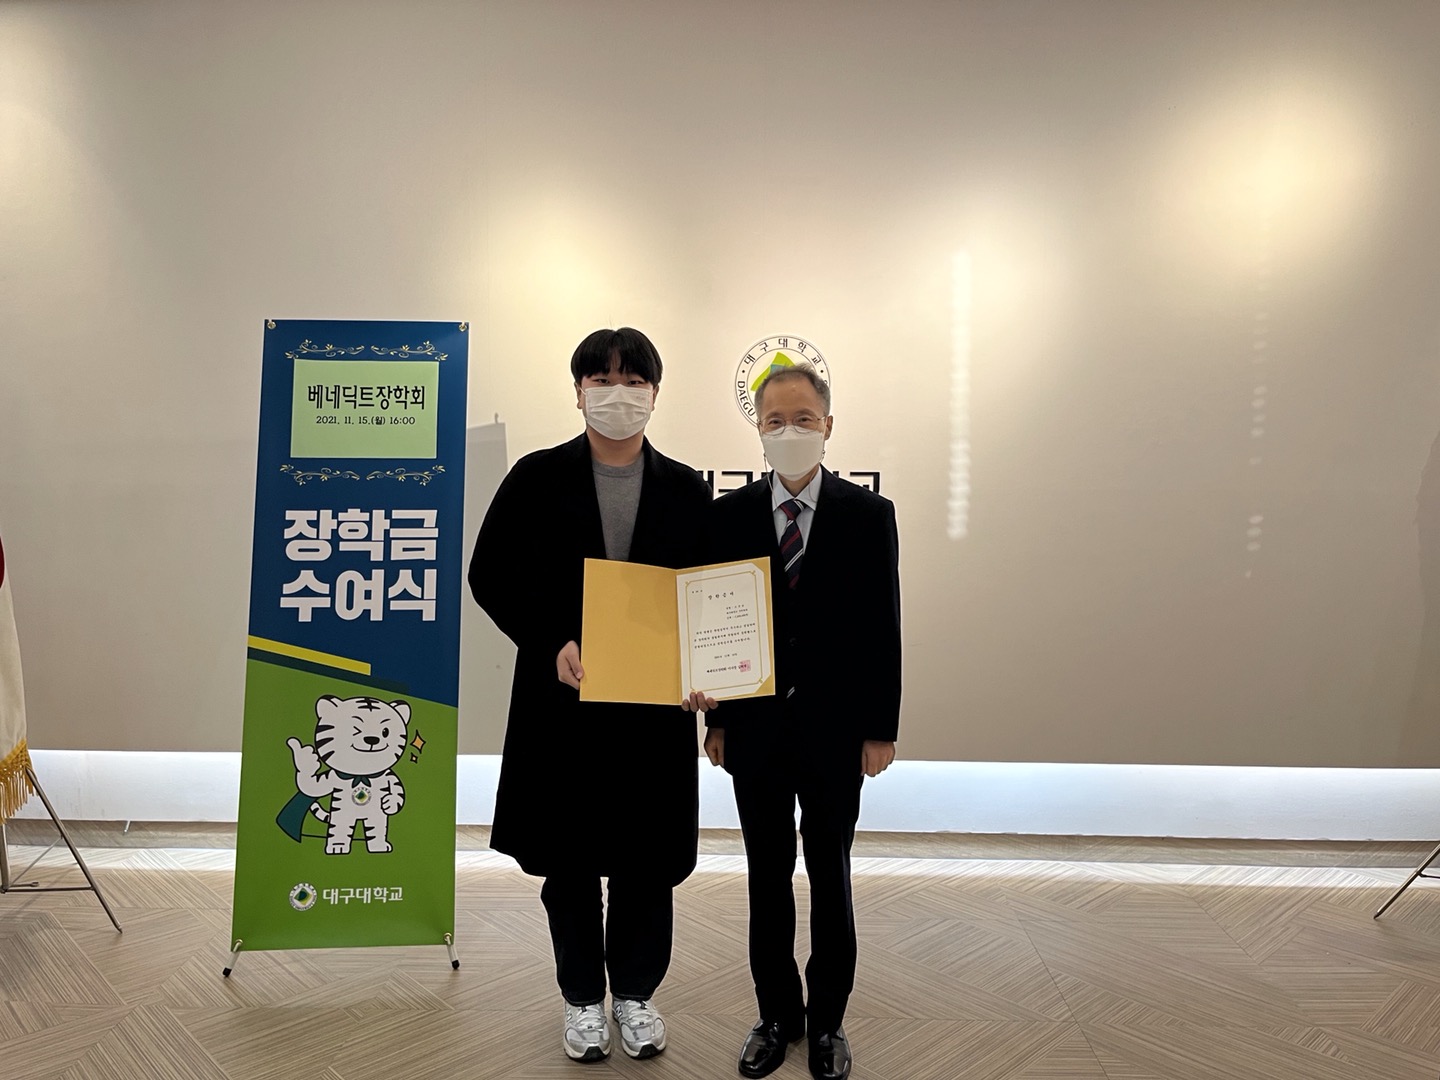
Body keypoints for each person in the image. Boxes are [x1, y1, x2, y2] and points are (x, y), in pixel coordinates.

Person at [469, 327, 712, 1063]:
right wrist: (549, 641)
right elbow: (489, 574)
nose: (617, 394)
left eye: (633, 381)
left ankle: (635, 994)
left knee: (646, 861)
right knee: (569, 862)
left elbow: (707, 594)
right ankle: (581, 999)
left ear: (655, 394)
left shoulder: (685, 487)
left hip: (653, 708)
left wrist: (707, 670)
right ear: (577, 392)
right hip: (563, 704)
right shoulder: (536, 477)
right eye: (601, 380)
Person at [685, 361, 901, 1080]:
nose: (789, 431)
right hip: (755, 733)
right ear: (758, 430)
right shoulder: (728, 516)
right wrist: (715, 724)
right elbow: (714, 627)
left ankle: (829, 1021)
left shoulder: (869, 515)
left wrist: (880, 728)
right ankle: (777, 1015)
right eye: (775, 421)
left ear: (828, 425)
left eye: (803, 419)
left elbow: (883, 627)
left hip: (838, 733)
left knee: (831, 877)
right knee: (766, 878)